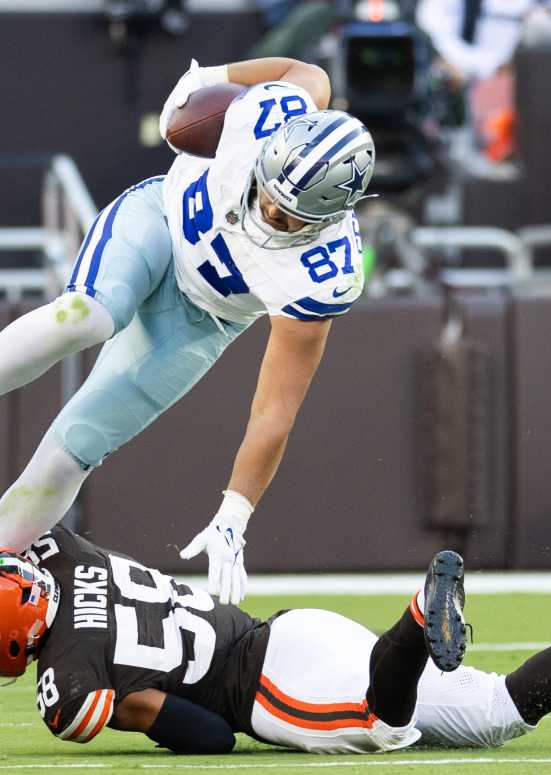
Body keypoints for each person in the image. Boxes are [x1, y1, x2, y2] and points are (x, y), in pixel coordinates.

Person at [0, 57, 375, 604]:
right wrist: (212, 77)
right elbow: (306, 71)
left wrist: (234, 514)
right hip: (159, 220)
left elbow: (275, 409)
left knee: (78, 445)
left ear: (329, 216)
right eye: (270, 189)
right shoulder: (269, 112)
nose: (267, 207)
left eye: (286, 216)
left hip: (202, 319)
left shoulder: (326, 272)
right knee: (89, 314)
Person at [2, 528, 551, 754]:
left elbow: (211, 738)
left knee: (380, 723)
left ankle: (415, 618)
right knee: (498, 711)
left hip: (268, 689)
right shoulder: (62, 551)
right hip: (293, 630)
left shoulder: (70, 681)